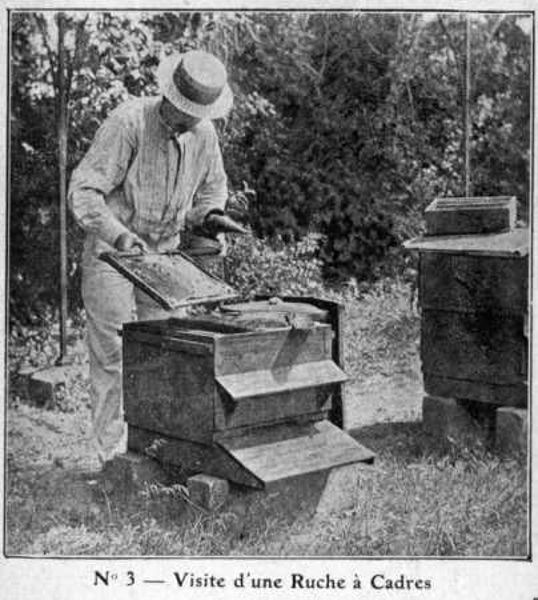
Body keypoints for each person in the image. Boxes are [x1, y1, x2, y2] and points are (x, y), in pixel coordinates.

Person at [68, 50, 233, 465]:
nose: (190, 120)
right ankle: (111, 459)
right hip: (113, 255)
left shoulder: (205, 135)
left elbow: (212, 192)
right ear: (171, 97)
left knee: (162, 353)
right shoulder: (129, 122)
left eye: (198, 114)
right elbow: (84, 192)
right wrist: (119, 236)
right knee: (113, 356)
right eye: (185, 111)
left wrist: (212, 219)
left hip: (164, 256)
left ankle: (155, 451)